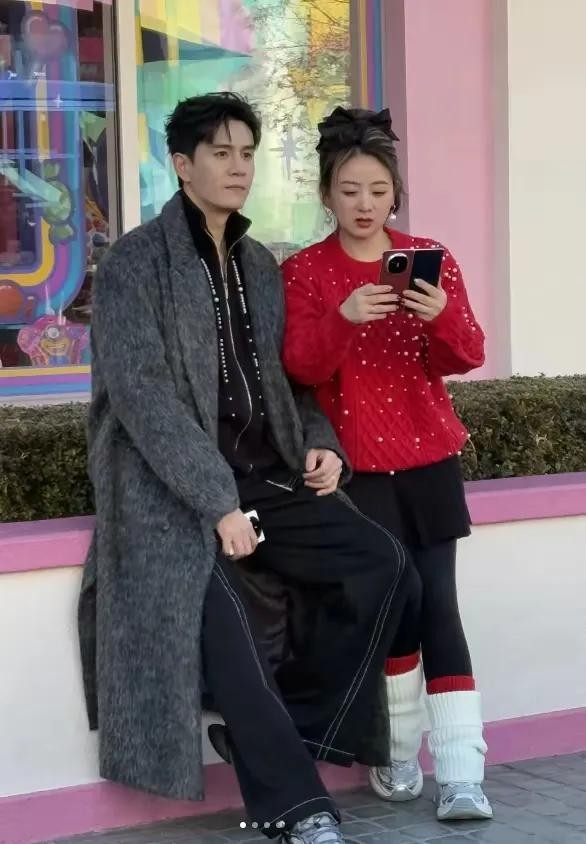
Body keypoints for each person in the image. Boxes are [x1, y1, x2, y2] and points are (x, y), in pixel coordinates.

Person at [77, 93, 414, 844]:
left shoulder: (261, 264)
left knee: (384, 566)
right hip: (171, 493)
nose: (238, 167)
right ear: (182, 164)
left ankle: (293, 729)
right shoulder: (134, 264)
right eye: (221, 152)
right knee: (225, 620)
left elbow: (293, 377)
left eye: (247, 153)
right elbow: (143, 399)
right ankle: (296, 810)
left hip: (269, 477)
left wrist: (322, 441)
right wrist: (216, 501)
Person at [281, 106, 493, 822]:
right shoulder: (305, 272)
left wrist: (438, 314)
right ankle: (398, 752)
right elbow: (299, 369)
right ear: (327, 195)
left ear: (395, 193)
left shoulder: (431, 256)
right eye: (349, 190)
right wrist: (343, 317)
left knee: (439, 605)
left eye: (377, 190)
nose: (364, 204)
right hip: (356, 470)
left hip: (428, 461)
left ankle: (462, 771)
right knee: (393, 605)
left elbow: (467, 354)